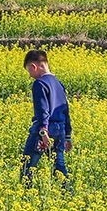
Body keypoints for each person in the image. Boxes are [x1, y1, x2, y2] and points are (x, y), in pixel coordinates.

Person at [21, 49, 71, 186]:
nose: (30, 75)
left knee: (27, 165)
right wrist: (68, 136)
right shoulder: (58, 83)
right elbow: (66, 110)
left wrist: (43, 131)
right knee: (59, 167)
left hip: (45, 131)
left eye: (29, 71)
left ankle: (26, 194)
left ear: (34, 66)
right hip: (60, 129)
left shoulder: (40, 84)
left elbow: (43, 110)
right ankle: (67, 192)